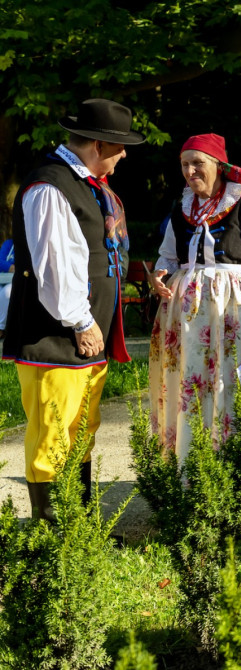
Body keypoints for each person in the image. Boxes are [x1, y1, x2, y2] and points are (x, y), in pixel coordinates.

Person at [3, 98, 144, 519]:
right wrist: (82, 321)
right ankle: (54, 542)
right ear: (98, 145)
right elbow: (55, 268)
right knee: (52, 435)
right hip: (56, 337)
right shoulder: (51, 186)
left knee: (81, 431)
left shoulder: (84, 184)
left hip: (86, 337)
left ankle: (79, 532)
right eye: (120, 148)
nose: (123, 156)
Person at [150, 133, 241, 536]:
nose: (190, 172)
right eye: (184, 165)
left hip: (234, 317)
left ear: (218, 165)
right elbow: (168, 255)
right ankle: (199, 493)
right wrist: (161, 275)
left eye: (198, 163)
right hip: (189, 323)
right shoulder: (182, 207)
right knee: (192, 399)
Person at [0, 238, 14, 340]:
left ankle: (1, 328)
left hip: (18, 281)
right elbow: (0, 260)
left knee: (6, 293)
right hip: (3, 278)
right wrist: (9, 267)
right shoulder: (9, 243)